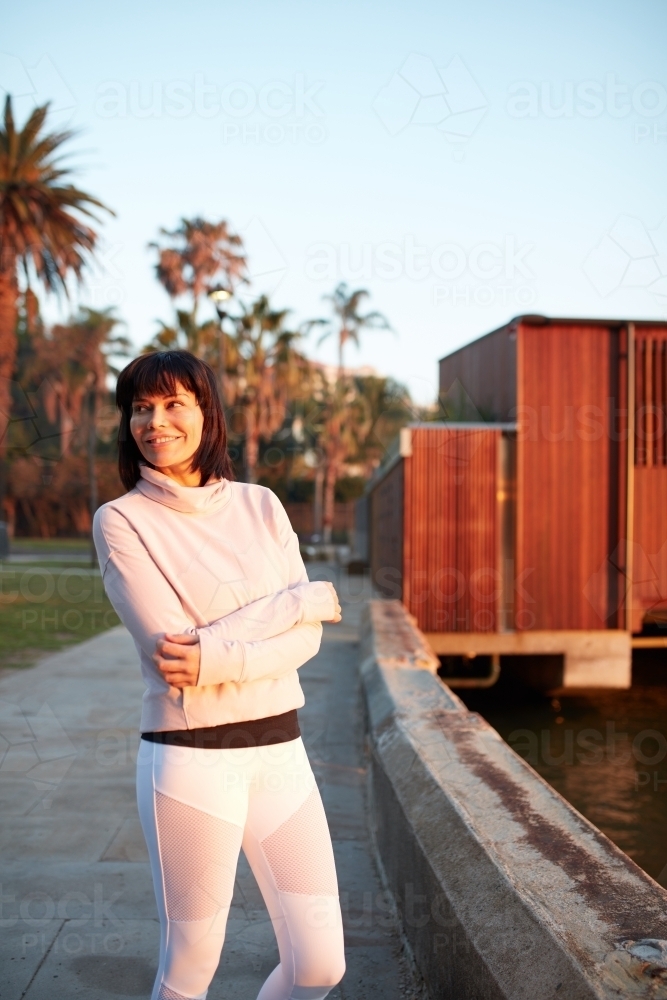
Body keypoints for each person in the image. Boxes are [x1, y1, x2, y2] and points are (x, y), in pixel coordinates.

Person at [93, 350, 346, 1000]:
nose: (154, 421)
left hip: (281, 753)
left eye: (173, 403)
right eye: (140, 408)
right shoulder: (122, 520)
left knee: (319, 965)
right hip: (190, 761)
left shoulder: (261, 505)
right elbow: (173, 656)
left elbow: (308, 641)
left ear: (207, 412)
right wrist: (294, 603)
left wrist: (222, 651)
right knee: (191, 963)